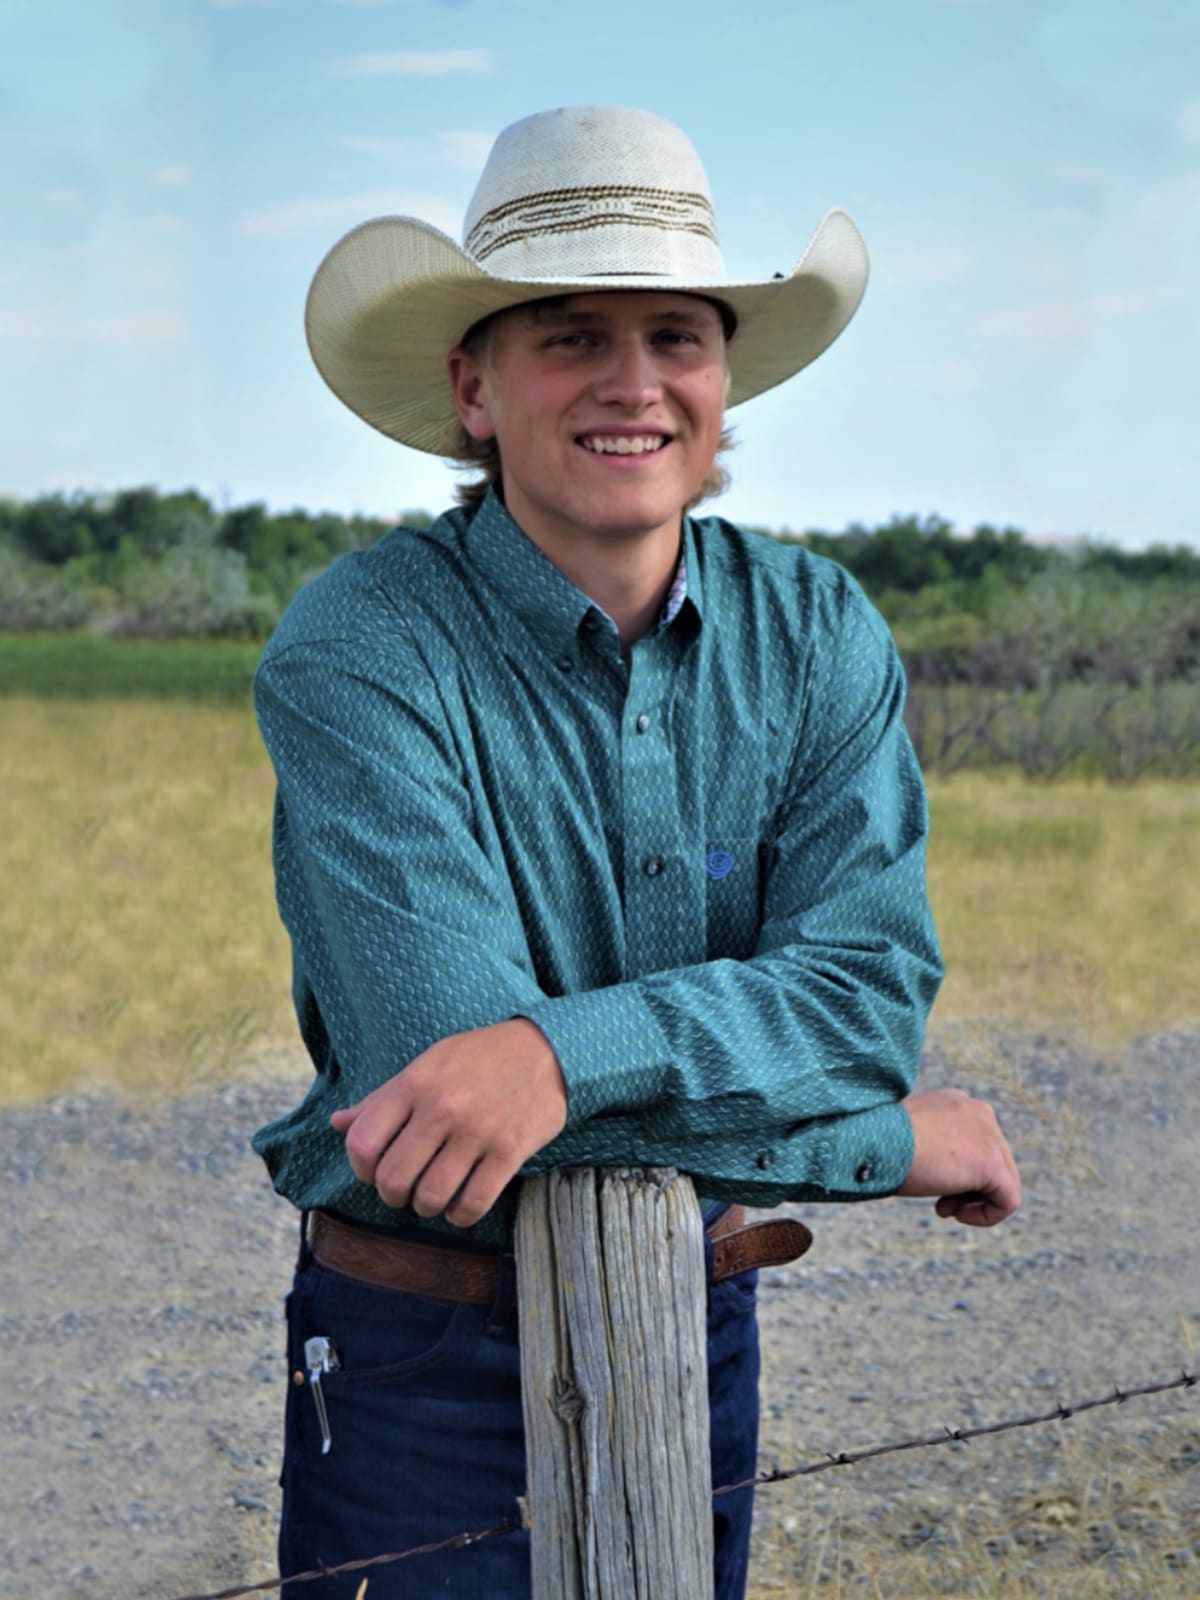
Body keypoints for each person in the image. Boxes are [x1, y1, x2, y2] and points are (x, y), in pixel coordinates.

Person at [252, 105, 1020, 1599]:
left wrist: (550, 1061)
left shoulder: (816, 633)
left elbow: (863, 1004)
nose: (634, 383)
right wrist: (880, 1143)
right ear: (474, 387)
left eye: (677, 334)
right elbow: (439, 1093)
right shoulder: (360, 644)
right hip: (421, 1345)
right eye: (569, 338)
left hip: (695, 1300)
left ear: (725, 383)